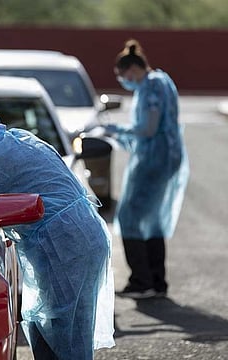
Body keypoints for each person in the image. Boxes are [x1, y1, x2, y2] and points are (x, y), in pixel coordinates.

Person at [0, 105, 115, 359]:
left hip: (64, 244)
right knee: (58, 325)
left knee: (64, 331)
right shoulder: (19, 138)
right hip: (84, 233)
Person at [102, 39, 189, 299]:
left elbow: (148, 129)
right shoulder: (162, 81)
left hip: (153, 160)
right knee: (152, 221)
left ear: (130, 71)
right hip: (164, 158)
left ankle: (142, 281)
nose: (124, 82)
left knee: (130, 218)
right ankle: (156, 280)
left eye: (122, 77)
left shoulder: (151, 88)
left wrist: (116, 130)